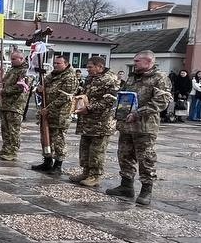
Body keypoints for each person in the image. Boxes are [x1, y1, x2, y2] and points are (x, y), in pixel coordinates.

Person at [105, 50, 171, 206]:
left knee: (146, 158)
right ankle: (126, 186)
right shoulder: (133, 77)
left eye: (137, 61)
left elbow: (161, 102)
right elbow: (125, 96)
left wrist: (138, 113)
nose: (134, 64)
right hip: (127, 124)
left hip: (144, 126)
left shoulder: (160, 78)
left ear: (148, 61)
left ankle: (146, 190)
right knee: (124, 155)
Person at [69, 54, 119, 188]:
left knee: (97, 151)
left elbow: (109, 101)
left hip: (101, 123)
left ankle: (95, 176)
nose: (88, 69)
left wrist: (89, 108)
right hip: (87, 121)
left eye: (90, 67)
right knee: (85, 149)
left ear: (100, 67)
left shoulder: (110, 80)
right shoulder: (90, 78)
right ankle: (86, 172)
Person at [32, 54, 80, 174]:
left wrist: (48, 108)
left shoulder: (70, 77)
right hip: (46, 113)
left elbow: (64, 97)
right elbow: (42, 87)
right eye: (54, 63)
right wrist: (39, 89)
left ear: (66, 64)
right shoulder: (52, 75)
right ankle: (47, 161)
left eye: (58, 63)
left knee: (58, 140)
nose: (55, 65)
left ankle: (58, 164)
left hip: (60, 114)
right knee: (45, 137)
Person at [0, 51, 31, 162]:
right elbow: (6, 82)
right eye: (11, 59)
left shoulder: (25, 71)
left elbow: (21, 88)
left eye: (14, 59)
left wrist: (4, 90)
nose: (11, 61)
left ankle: (13, 151)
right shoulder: (12, 69)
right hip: (5, 104)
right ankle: (6, 148)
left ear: (21, 59)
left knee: (13, 130)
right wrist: (1, 84)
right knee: (5, 129)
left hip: (16, 105)